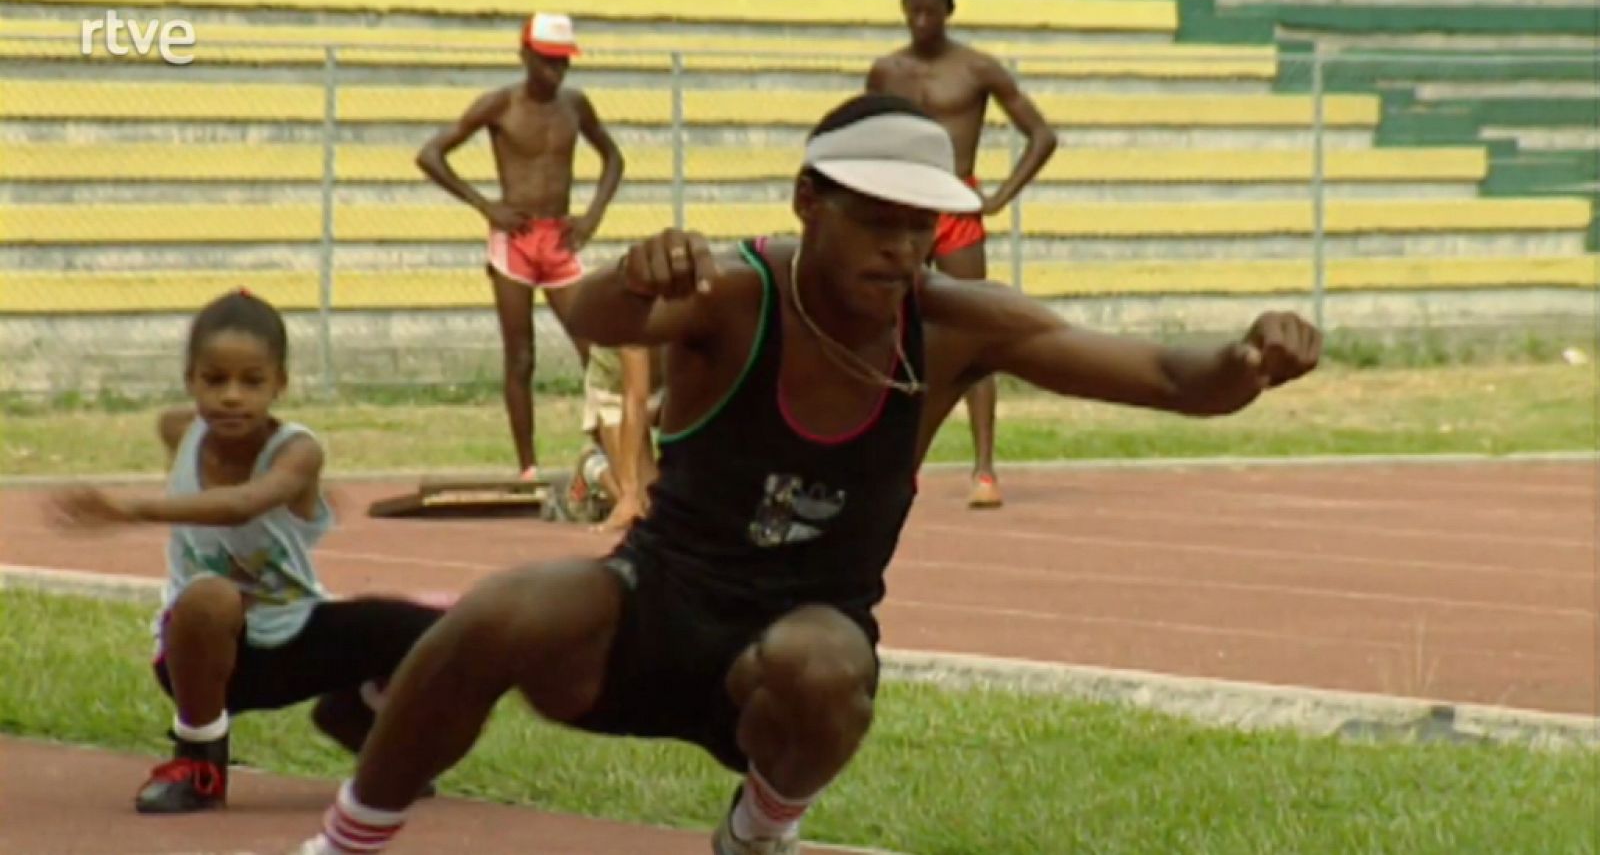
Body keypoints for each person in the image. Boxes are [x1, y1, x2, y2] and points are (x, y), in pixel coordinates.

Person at [289, 94, 1319, 855]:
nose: (902, 249)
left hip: (790, 651)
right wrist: (629, 271)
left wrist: (1245, 359)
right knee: (501, 607)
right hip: (651, 609)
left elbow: (1172, 380)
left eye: (921, 227)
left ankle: (756, 836)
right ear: (808, 203)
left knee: (828, 668)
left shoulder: (957, 328)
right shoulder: (737, 294)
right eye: (876, 219)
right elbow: (594, 321)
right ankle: (347, 840)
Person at [48, 290, 446, 815]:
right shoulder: (178, 431)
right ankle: (199, 759)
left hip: (296, 638)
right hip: (204, 654)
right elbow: (218, 504)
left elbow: (244, 505)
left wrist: (129, 510)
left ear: (279, 384)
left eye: (251, 382)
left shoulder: (299, 451)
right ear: (190, 380)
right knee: (210, 595)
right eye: (214, 380)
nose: (232, 396)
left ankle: (357, 718)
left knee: (442, 635)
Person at [866, 0, 1058, 509]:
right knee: (887, 332)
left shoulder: (976, 69)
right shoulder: (886, 72)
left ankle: (984, 469)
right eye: (914, 10)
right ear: (903, 8)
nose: (922, 20)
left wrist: (997, 198)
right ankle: (891, 462)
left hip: (956, 204)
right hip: (902, 203)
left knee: (977, 325)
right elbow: (867, 134)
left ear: (950, 12)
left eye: (932, 11)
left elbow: (1042, 135)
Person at [416, 12, 627, 481]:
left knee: (594, 351)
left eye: (564, 63)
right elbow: (430, 153)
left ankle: (604, 456)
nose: (557, 72)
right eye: (548, 61)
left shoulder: (575, 105)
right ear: (526, 55)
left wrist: (591, 216)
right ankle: (527, 467)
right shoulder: (499, 105)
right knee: (521, 354)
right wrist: (485, 205)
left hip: (558, 238)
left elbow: (613, 157)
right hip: (514, 239)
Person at [566, 344, 663, 532]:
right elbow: (635, 398)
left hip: (670, 383)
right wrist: (629, 494)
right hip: (617, 391)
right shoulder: (634, 321)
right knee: (645, 509)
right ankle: (593, 468)